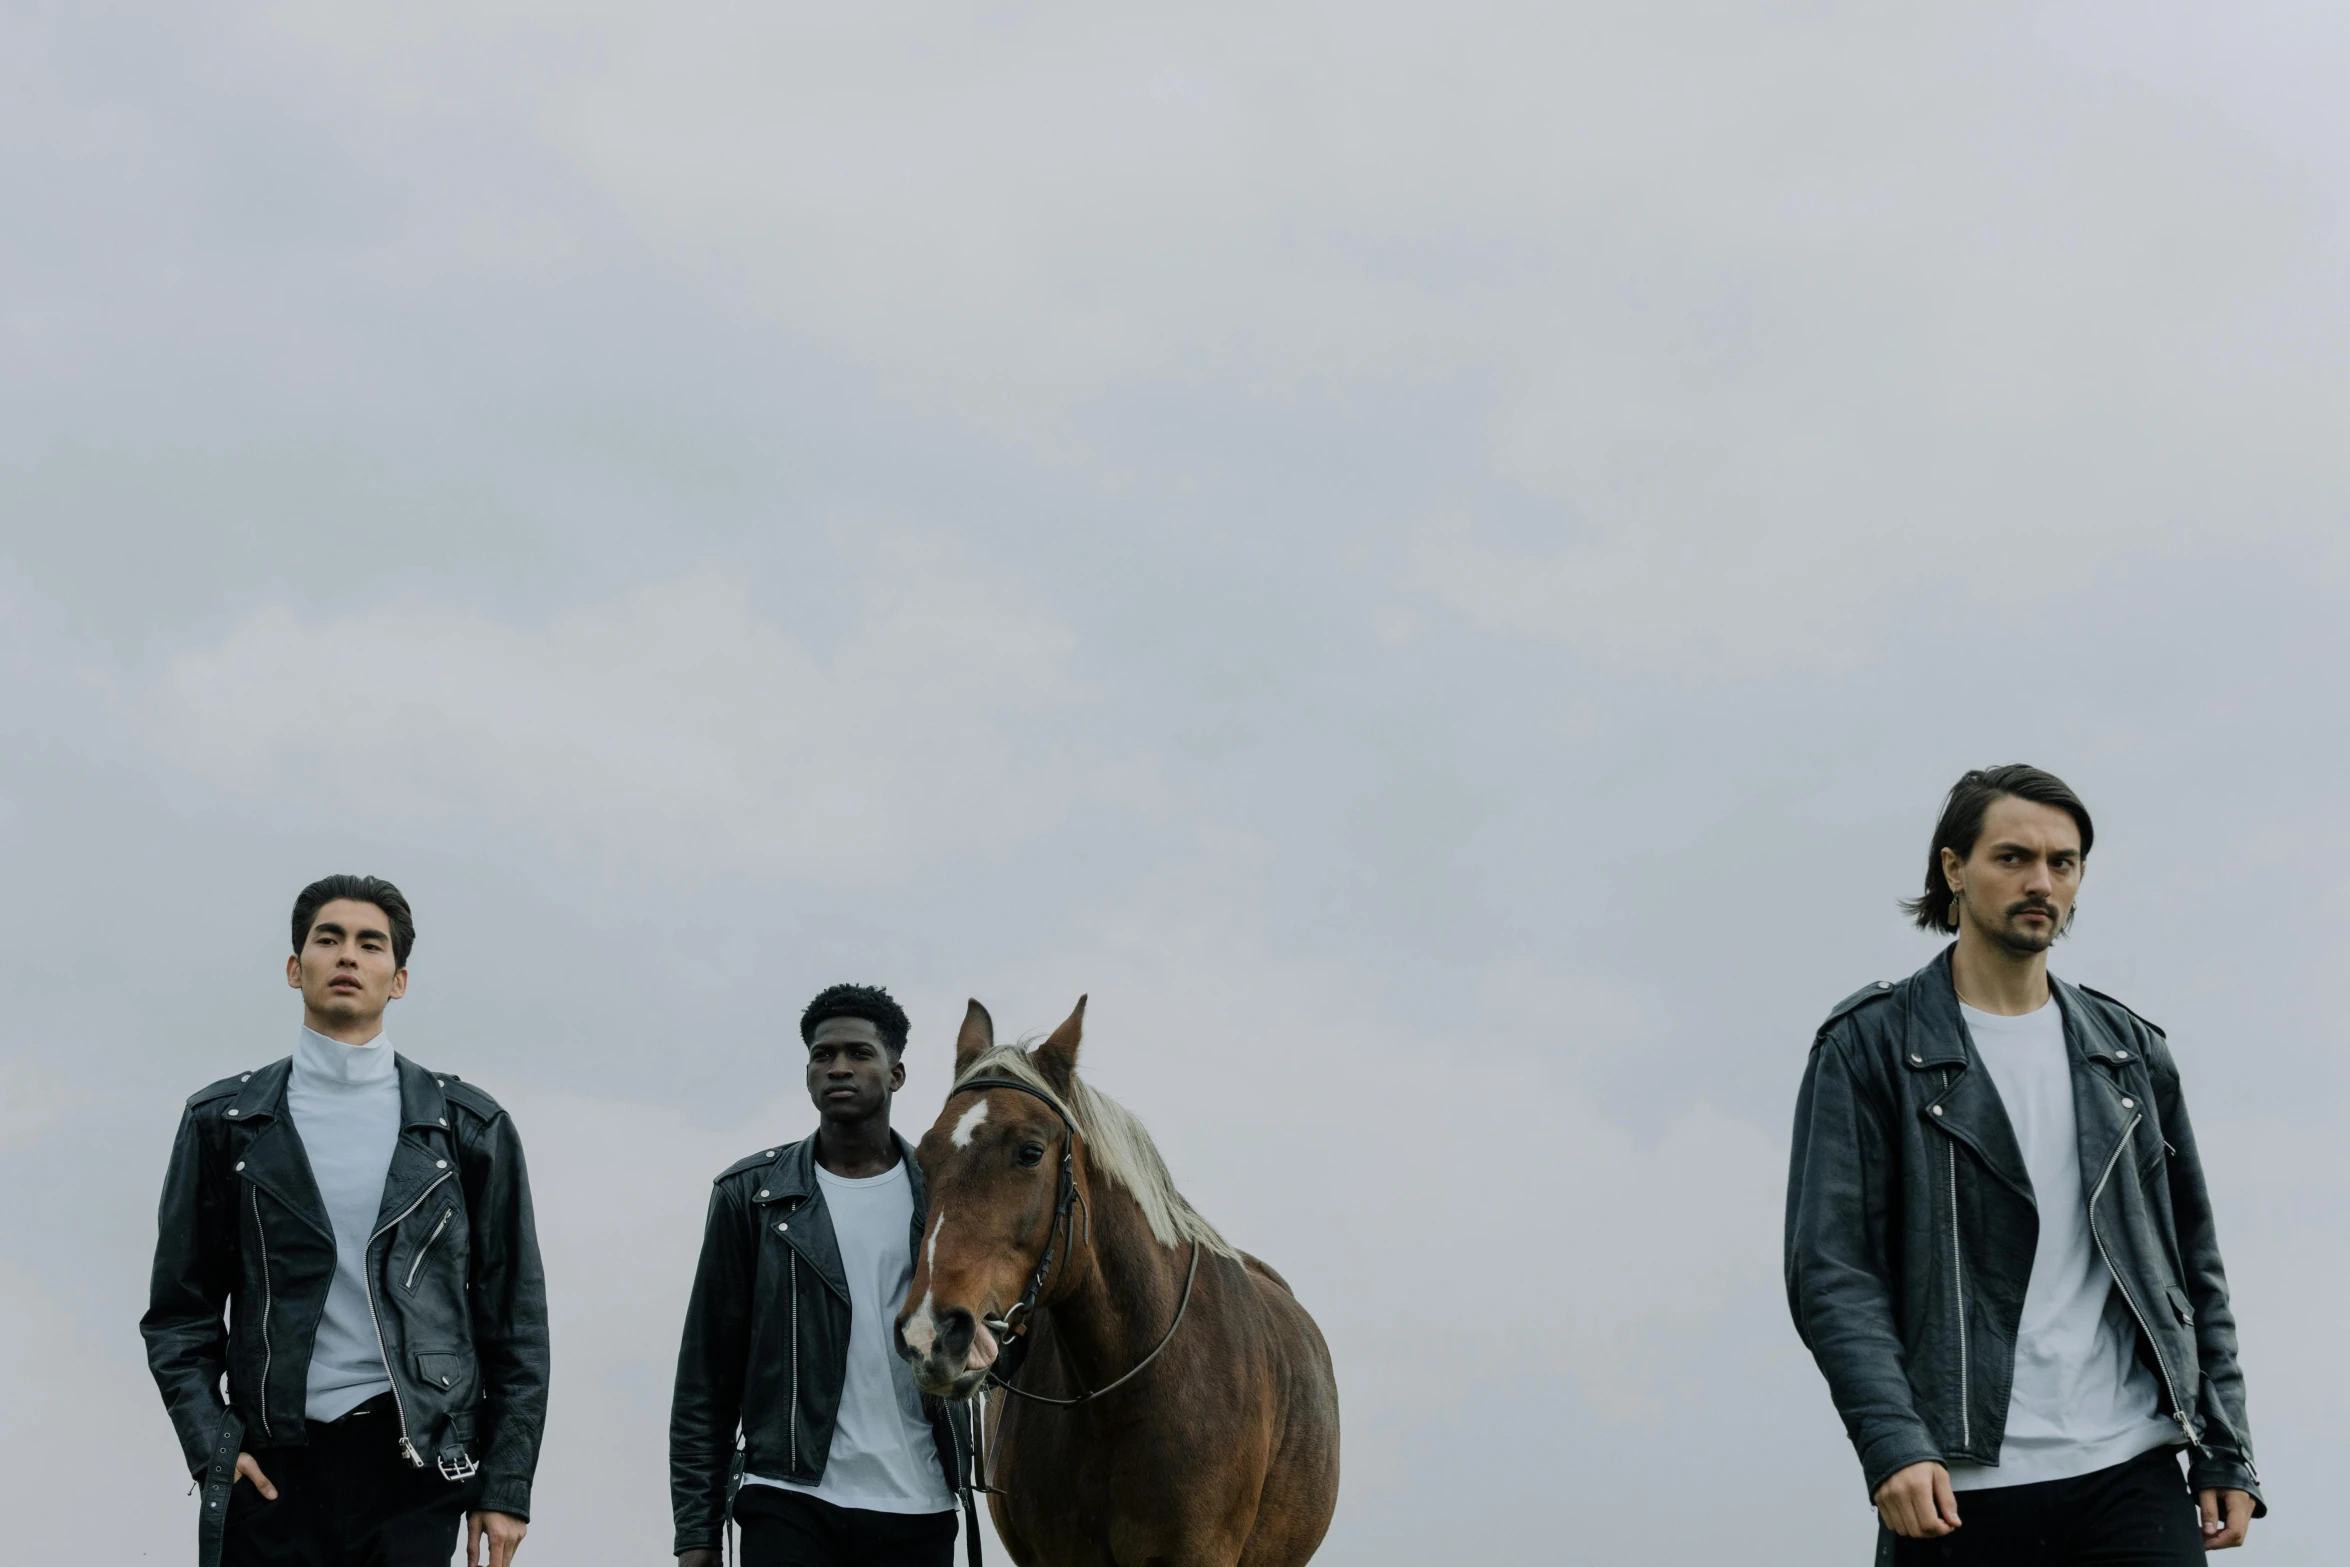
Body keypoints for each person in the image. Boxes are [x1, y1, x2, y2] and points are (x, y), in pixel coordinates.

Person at [1785, 765, 2263, 1563]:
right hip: (1960, 1484)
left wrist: (2224, 1442)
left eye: (2063, 861)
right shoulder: (1868, 1044)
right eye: (2012, 857)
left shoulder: (2128, 1051)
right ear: (1953, 869)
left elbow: (2191, 1265)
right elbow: (1833, 1270)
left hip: (2133, 1466)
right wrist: (1893, 1440)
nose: (2041, 880)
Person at [143, 875, 550, 1567]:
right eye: (328, 939)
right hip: (273, 1462)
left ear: (399, 979)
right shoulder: (224, 1123)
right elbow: (180, 1314)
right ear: (295, 967)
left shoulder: (468, 1129)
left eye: (370, 943)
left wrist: (506, 1484)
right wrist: (214, 1446)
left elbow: (516, 1320)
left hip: (415, 1458)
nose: (348, 956)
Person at [670, 984, 974, 1567]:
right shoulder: (751, 1197)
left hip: (920, 1501)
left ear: (897, 1073)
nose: (838, 1068)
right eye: (822, 1055)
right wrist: (696, 1531)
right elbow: (706, 1375)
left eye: (859, 1054)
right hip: (787, 1497)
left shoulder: (941, 1198)